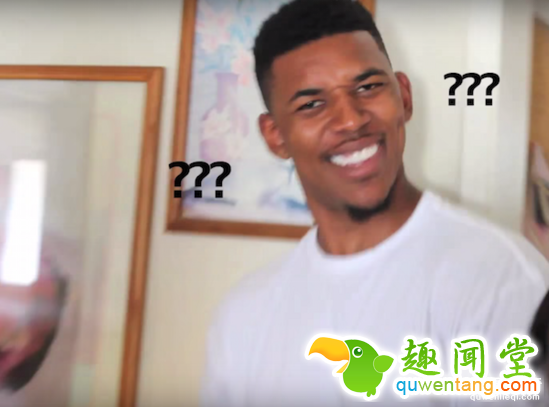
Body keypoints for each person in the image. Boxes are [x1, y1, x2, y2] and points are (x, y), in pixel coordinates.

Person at [200, 0, 549, 405]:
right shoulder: (242, 316)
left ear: (404, 96)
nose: (351, 120)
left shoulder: (503, 279)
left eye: (367, 87)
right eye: (312, 104)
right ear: (276, 135)